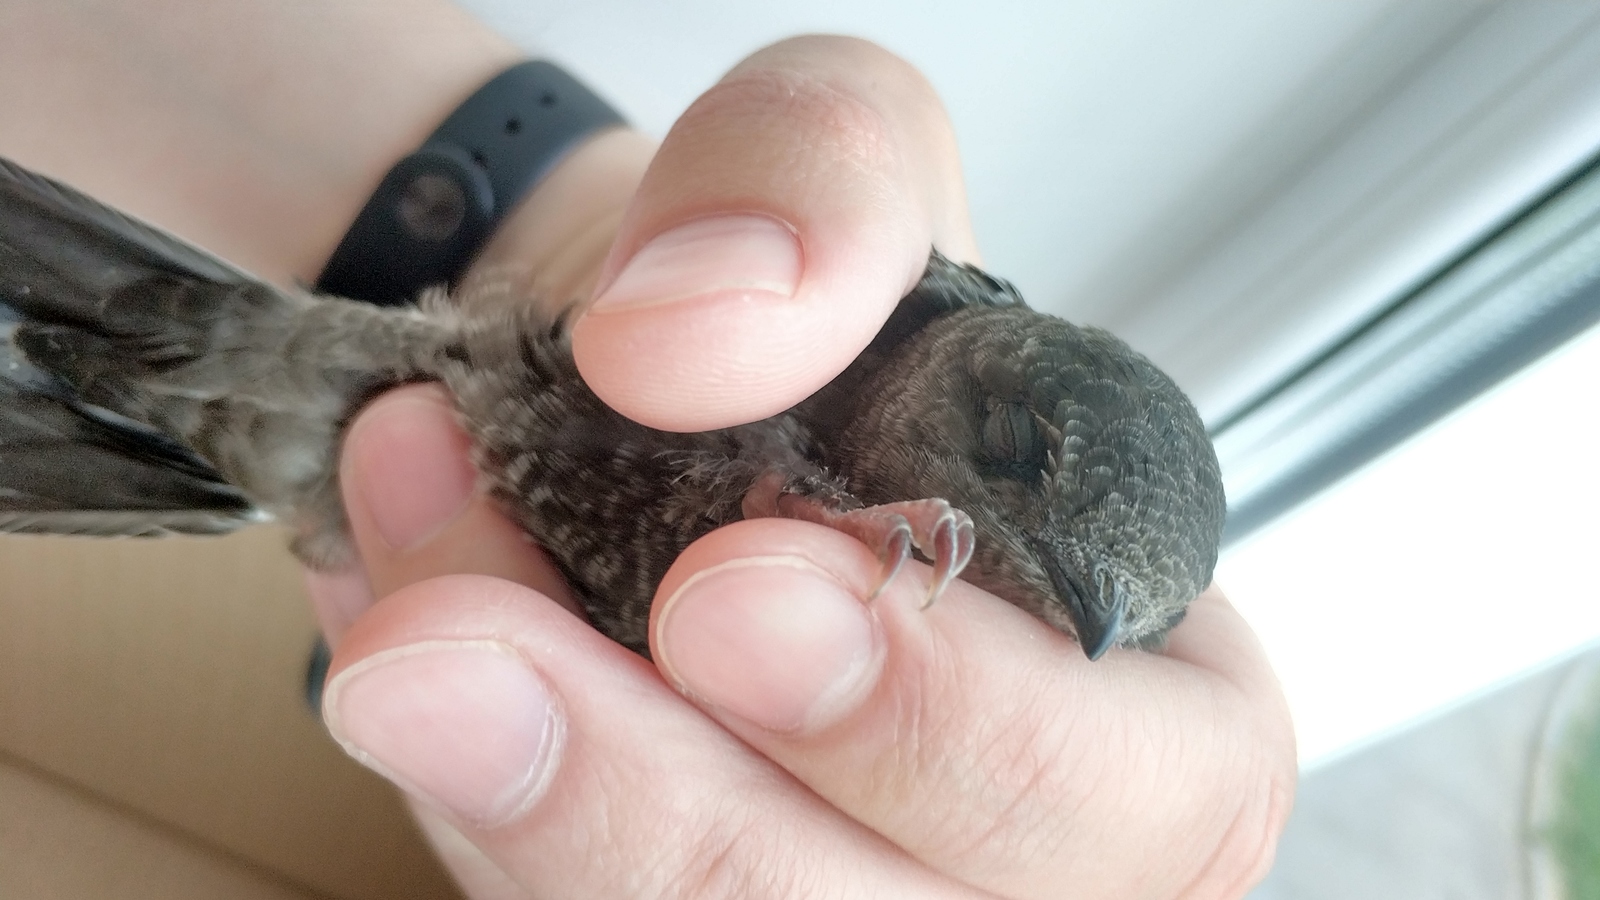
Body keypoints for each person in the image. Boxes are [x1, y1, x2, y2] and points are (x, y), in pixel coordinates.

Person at [0, 2, 1296, 897]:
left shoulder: (991, 598)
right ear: (979, 360)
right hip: (425, 370)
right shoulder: (911, 313)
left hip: (357, 473)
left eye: (1105, 621)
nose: (1058, 600)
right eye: (1012, 452)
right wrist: (558, 225)